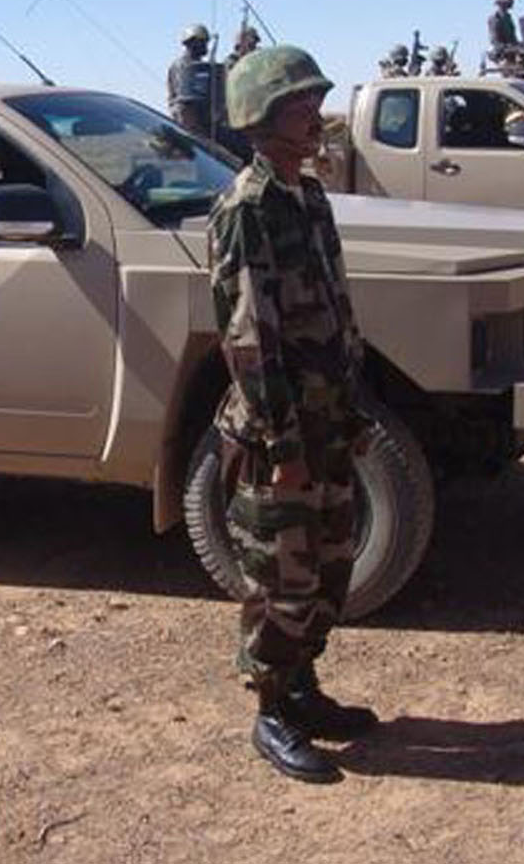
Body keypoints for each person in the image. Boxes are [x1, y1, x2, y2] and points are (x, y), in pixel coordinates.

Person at [210, 44, 379, 784]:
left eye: (314, 102)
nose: (315, 115)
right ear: (262, 118)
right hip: (282, 431)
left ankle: (304, 685)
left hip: (326, 420)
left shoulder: (307, 197)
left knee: (330, 563)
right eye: (299, 105)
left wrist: (348, 404)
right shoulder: (246, 207)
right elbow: (250, 333)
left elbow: (336, 310)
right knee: (282, 575)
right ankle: (271, 709)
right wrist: (280, 437)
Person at [167, 23, 218, 137]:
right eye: (203, 42)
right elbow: (185, 105)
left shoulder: (199, 66)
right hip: (190, 125)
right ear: (192, 43)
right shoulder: (183, 66)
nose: (206, 46)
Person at [488, 0, 524, 76]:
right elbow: (496, 43)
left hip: (512, 55)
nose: (512, 2)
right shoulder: (495, 19)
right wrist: (514, 48)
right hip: (503, 56)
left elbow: (513, 39)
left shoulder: (508, 18)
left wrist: (523, 45)